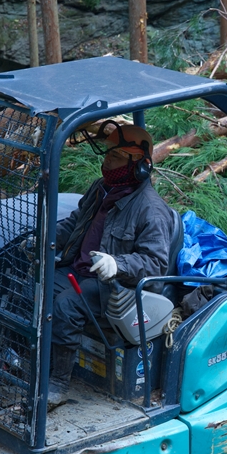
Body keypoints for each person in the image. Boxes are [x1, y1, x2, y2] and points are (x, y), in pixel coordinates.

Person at [48, 121, 175, 410]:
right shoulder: (102, 189)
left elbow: (155, 263)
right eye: (107, 155)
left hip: (118, 290)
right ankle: (28, 358)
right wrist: (46, 238)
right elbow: (75, 223)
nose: (107, 163)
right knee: (36, 283)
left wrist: (117, 264)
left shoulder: (151, 210)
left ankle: (57, 385)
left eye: (115, 157)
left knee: (68, 305)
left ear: (141, 166)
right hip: (80, 271)